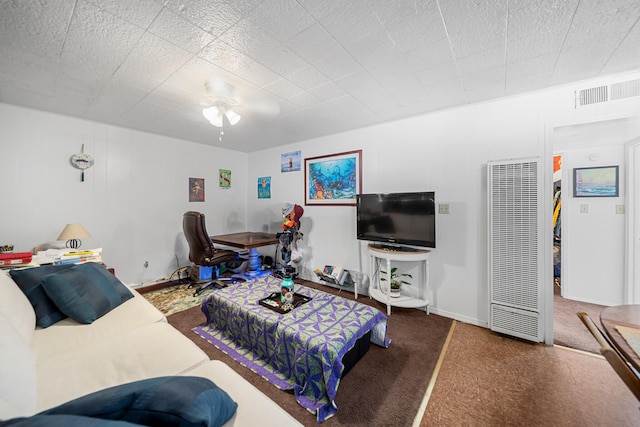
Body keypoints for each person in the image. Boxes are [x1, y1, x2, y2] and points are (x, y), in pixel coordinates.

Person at [278, 203, 304, 275]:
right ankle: (287, 268)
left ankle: (290, 269)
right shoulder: (289, 223)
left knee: (291, 254)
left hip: (292, 241)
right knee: (287, 254)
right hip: (287, 239)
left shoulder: (296, 223)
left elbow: (294, 233)